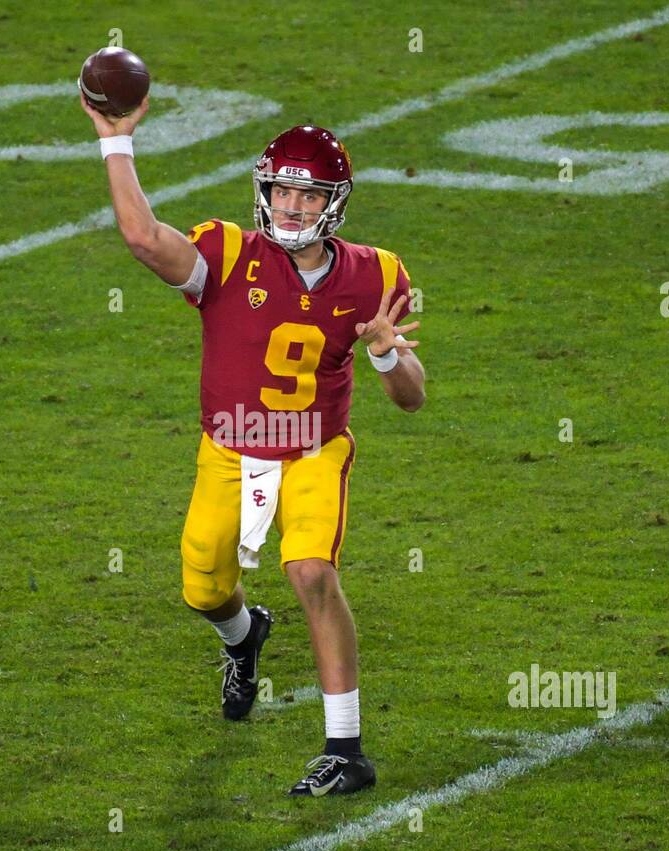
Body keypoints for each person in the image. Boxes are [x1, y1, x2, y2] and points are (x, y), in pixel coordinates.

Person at [82, 91, 425, 796]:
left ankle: (345, 749)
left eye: (309, 196)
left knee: (311, 571)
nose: (293, 208)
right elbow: (146, 238)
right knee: (203, 586)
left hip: (313, 449)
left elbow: (412, 396)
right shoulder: (227, 253)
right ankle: (245, 636)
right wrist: (116, 143)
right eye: (282, 191)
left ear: (335, 203)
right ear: (263, 191)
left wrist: (388, 354)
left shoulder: (377, 275)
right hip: (230, 451)